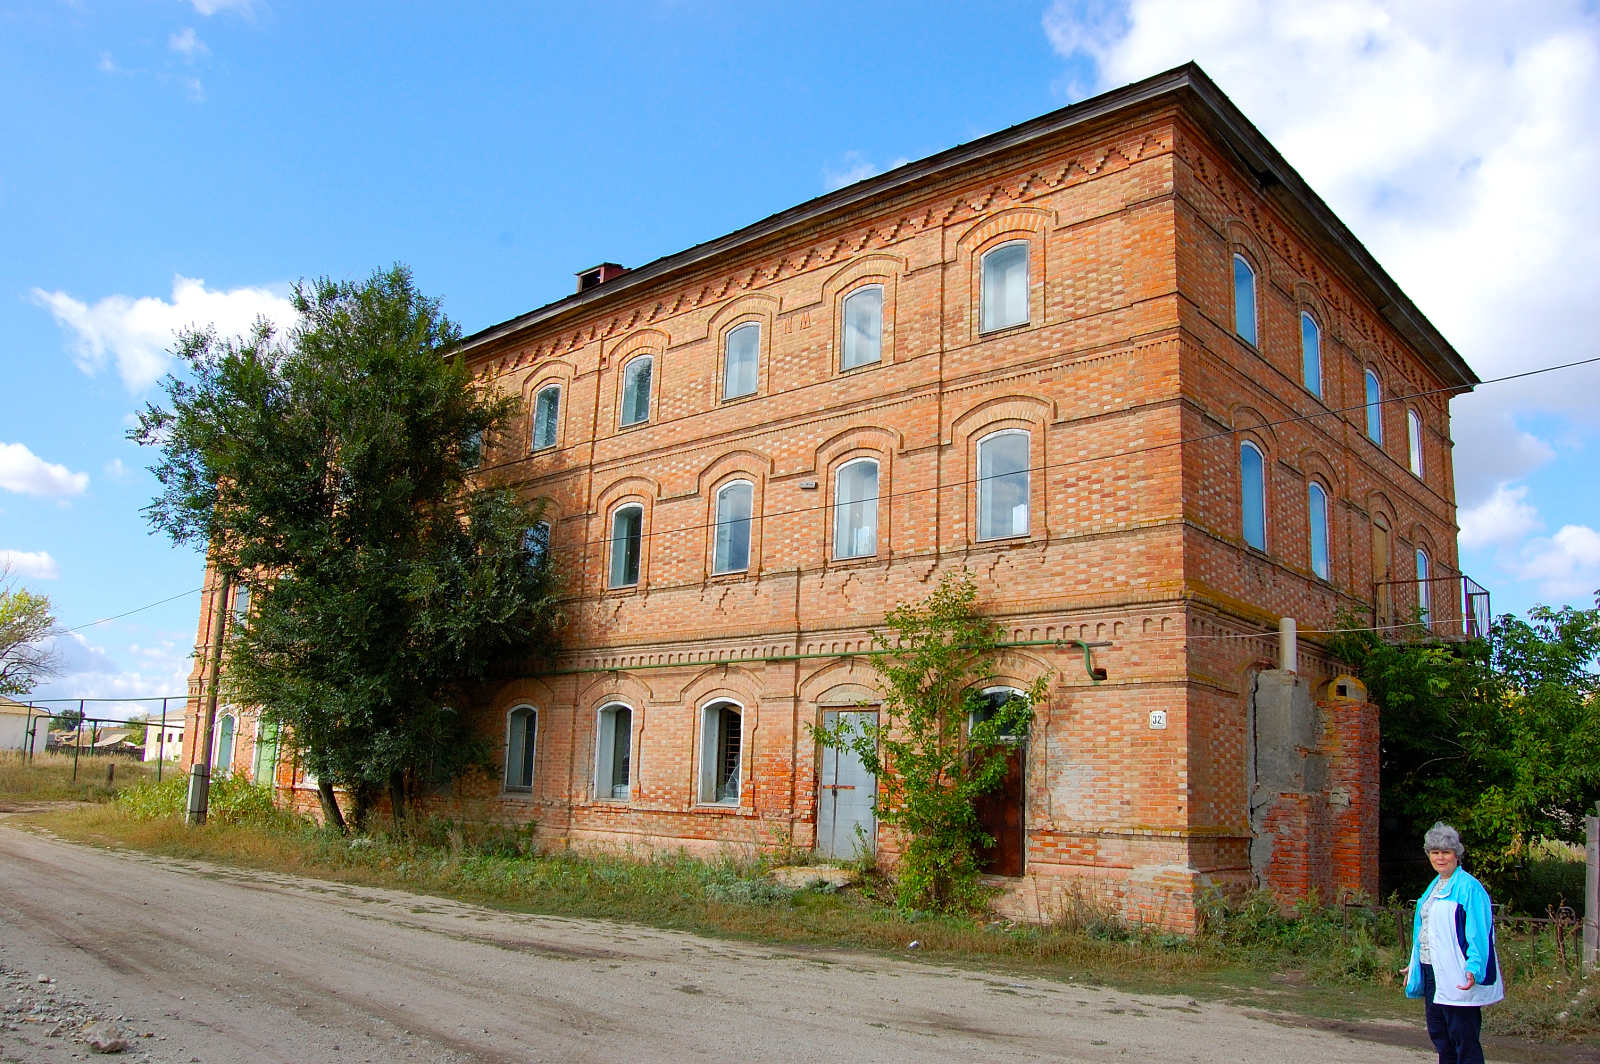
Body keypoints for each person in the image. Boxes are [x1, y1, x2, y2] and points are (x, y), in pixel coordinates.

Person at [1403, 823, 1503, 1064]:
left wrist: (1474, 968)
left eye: (1446, 852)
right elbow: (1426, 930)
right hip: (1430, 970)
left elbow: (1480, 933)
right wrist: (1414, 963)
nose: (1440, 857)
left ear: (1456, 855)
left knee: (1463, 1037)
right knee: (1440, 1035)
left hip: (1457, 973)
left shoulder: (1469, 888)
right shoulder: (1435, 886)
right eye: (1435, 852)